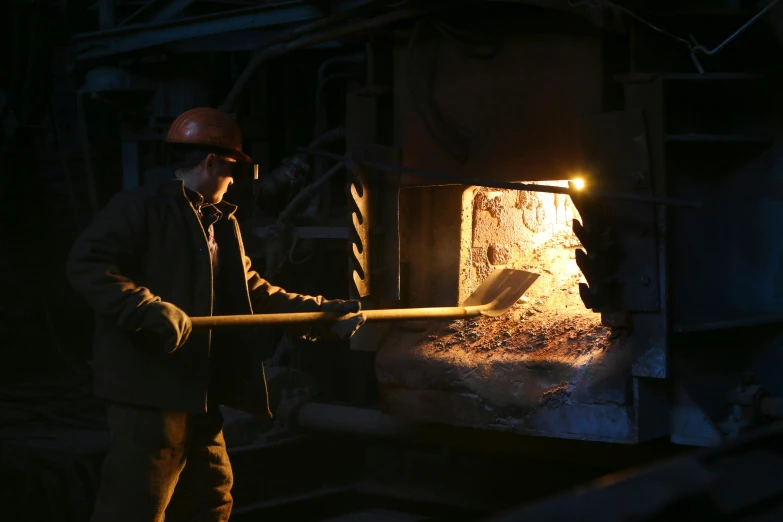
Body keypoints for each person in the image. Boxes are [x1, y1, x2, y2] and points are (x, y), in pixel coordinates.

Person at [66, 107, 365, 522]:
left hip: (200, 392)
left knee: (211, 502)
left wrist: (319, 313)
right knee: (136, 507)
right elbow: (88, 266)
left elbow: (252, 291)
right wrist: (146, 308)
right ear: (210, 162)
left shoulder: (220, 222)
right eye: (231, 169)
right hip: (150, 393)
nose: (232, 180)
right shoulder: (140, 207)